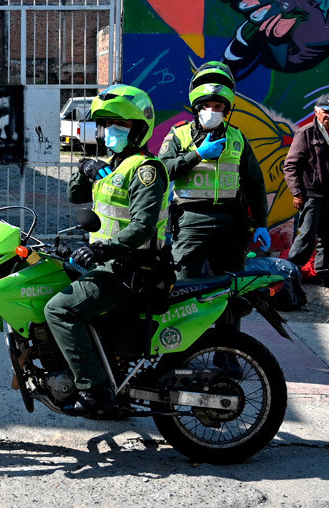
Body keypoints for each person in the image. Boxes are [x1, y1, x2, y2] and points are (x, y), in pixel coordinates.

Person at [43, 85, 170, 416]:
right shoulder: (112, 166)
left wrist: (100, 252)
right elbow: (74, 196)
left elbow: (142, 227)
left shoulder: (145, 170)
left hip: (133, 269)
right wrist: (84, 168)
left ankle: (94, 390)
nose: (108, 131)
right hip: (112, 263)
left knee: (60, 310)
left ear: (138, 130)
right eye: (105, 125)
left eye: (119, 125)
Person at [158, 82, 271, 280]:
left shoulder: (237, 137)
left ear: (226, 109)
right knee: (183, 282)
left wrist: (261, 222)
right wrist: (197, 155)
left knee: (232, 283)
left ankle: (228, 313)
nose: (212, 111)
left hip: (231, 220)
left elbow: (255, 182)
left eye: (218, 107)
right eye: (206, 106)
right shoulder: (179, 133)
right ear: (197, 107)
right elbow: (162, 170)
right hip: (191, 219)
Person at [283, 93, 329, 285]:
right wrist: (297, 192)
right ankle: (289, 274)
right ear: (316, 111)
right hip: (311, 195)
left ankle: (323, 273)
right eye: (326, 111)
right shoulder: (306, 133)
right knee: (307, 237)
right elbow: (291, 166)